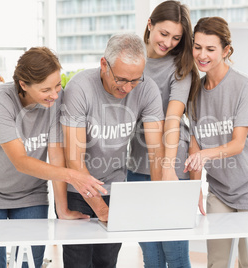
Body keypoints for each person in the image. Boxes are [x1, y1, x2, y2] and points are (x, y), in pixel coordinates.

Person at [0, 47, 107, 268]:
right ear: (23, 85)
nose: (55, 94)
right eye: (46, 89)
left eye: (58, 85)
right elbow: (20, 160)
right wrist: (72, 175)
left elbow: (56, 154)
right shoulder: (1, 100)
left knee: (30, 263)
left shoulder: (54, 102)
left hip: (30, 194)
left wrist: (62, 209)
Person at [54, 33, 165, 268]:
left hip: (115, 189)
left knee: (106, 262)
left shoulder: (147, 89)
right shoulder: (80, 88)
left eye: (135, 80)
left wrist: (158, 202)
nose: (128, 88)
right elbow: (74, 159)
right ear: (104, 64)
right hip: (78, 190)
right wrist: (102, 210)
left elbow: (156, 152)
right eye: (122, 79)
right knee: (78, 263)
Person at [184, 17, 248, 268]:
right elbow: (195, 144)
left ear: (226, 50)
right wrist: (195, 189)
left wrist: (205, 156)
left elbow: (237, 144)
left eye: (210, 49)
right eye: (197, 46)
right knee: (217, 262)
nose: (201, 55)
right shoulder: (193, 93)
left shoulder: (243, 87)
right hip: (221, 190)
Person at [126, 1, 200, 267]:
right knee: (151, 254)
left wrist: (168, 168)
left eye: (176, 38)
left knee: (176, 252)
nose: (168, 42)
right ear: (150, 25)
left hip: (172, 158)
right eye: (164, 33)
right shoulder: (131, 60)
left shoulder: (180, 66)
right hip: (137, 162)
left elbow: (172, 118)